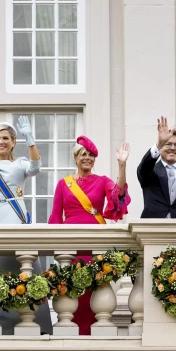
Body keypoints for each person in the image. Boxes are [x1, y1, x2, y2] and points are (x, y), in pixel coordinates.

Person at [0, 117, 51, 335]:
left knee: (25, 272)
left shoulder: (20, 163)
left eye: (5, 138)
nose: (0, 142)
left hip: (17, 221)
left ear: (13, 141)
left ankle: (33, 324)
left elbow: (36, 166)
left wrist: (29, 137)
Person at [48, 136, 130, 335]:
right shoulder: (63, 184)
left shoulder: (102, 181)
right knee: (72, 288)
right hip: (70, 243)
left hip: (95, 241)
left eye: (91, 155)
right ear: (75, 158)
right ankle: (70, 334)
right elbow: (55, 216)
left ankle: (92, 333)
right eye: (83, 154)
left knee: (95, 288)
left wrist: (121, 165)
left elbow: (118, 193)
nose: (87, 158)